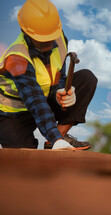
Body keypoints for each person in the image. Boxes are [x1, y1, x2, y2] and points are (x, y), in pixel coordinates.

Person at [0, 0, 97, 150]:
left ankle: (57, 137)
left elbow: (59, 76)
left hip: (44, 99)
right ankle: (56, 139)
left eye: (51, 37)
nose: (48, 43)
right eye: (41, 40)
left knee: (86, 78)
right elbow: (35, 100)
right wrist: (55, 138)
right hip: (13, 113)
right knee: (22, 154)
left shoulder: (59, 38)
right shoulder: (17, 57)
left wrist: (59, 91)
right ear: (26, 32)